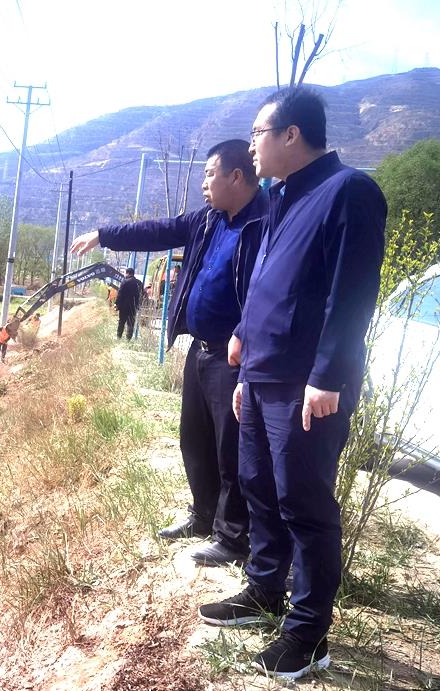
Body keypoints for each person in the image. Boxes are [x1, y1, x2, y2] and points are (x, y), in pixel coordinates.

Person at [197, 88, 386, 680]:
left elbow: (352, 295)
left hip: (307, 385)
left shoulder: (348, 191)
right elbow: (269, 281)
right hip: (262, 376)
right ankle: (263, 590)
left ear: (291, 135)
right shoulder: (283, 196)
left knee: (303, 503)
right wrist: (244, 343)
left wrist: (327, 376)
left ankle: (308, 634)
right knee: (259, 487)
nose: (251, 145)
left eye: (258, 133)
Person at [71, 139, 267, 567]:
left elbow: (266, 293)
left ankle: (233, 538)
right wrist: (104, 235)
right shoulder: (208, 220)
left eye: (210, 174)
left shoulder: (264, 224)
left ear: (236, 176)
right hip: (201, 349)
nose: (204, 184)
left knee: (230, 449)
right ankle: (203, 515)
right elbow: (158, 230)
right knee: (194, 439)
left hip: (234, 356)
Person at [113, 268, 144, 339]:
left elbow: (120, 294)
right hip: (133, 307)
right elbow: (142, 295)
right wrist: (138, 305)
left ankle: (118, 337)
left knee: (121, 322)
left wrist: (116, 304)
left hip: (124, 307)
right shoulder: (139, 283)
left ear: (127, 273)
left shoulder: (125, 282)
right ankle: (128, 339)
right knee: (131, 323)